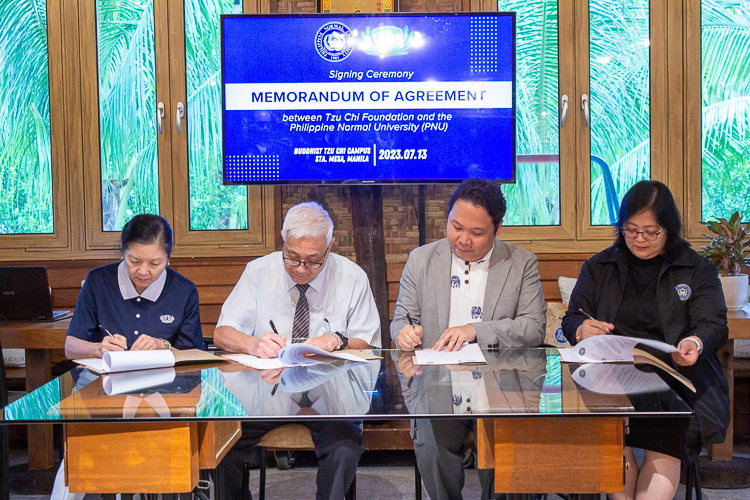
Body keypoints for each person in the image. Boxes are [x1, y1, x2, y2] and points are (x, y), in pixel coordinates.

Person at [561, 180, 730, 500]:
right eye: (631, 229)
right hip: (611, 379)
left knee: (663, 447)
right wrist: (582, 328)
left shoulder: (696, 269)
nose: (639, 238)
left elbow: (713, 323)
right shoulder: (599, 267)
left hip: (675, 380)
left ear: (669, 228)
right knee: (613, 445)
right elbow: (571, 320)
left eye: (651, 231)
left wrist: (695, 342)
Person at [390, 178, 547, 500]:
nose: (463, 240)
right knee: (432, 449)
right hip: (437, 385)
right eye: (456, 227)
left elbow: (533, 327)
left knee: (507, 460)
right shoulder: (421, 260)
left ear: (497, 228)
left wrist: (476, 329)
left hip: (502, 386)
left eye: (477, 233)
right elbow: (401, 320)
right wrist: (404, 334)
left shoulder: (521, 263)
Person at [214, 201, 381, 500]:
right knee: (223, 444)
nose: (301, 268)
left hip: (331, 398)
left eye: (313, 260)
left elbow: (369, 344)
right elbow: (222, 333)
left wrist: (338, 340)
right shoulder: (258, 272)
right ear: (283, 238)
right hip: (265, 394)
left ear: (330, 247)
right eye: (291, 257)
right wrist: (254, 343)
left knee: (344, 449)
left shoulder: (353, 278)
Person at [64, 214, 203, 358]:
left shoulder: (184, 291)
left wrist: (162, 346)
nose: (143, 272)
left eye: (154, 263)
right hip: (105, 377)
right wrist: (99, 349)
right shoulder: (98, 281)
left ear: (169, 258)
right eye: (134, 261)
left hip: (164, 378)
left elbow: (194, 356)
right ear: (123, 252)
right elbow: (70, 347)